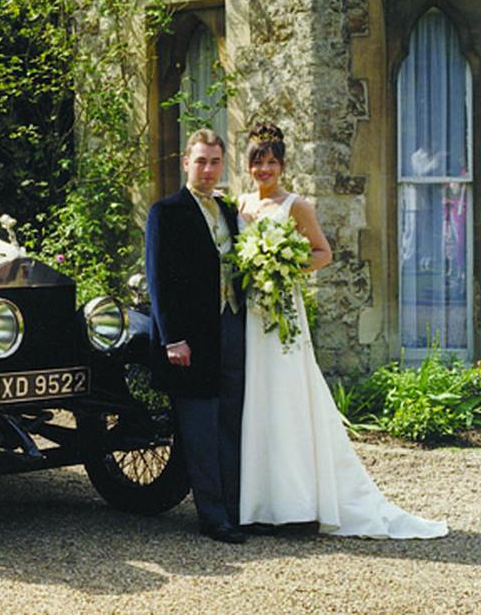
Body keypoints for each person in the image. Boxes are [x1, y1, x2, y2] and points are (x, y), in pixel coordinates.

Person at [237, 123, 448, 539]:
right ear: (248, 166)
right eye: (257, 162)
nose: (264, 169)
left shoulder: (297, 205)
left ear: (282, 165)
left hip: (282, 313)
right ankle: (258, 504)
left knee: (287, 399)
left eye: (271, 162)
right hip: (250, 315)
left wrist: (278, 266)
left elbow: (322, 253)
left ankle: (297, 505)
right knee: (256, 401)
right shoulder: (240, 206)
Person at [146, 128, 247, 544]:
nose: (208, 170)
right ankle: (212, 517)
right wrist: (172, 339)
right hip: (190, 338)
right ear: (186, 162)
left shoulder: (228, 211)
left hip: (232, 325)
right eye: (201, 161)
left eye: (215, 162)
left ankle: (236, 509)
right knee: (200, 427)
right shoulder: (165, 212)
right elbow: (159, 281)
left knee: (231, 422)